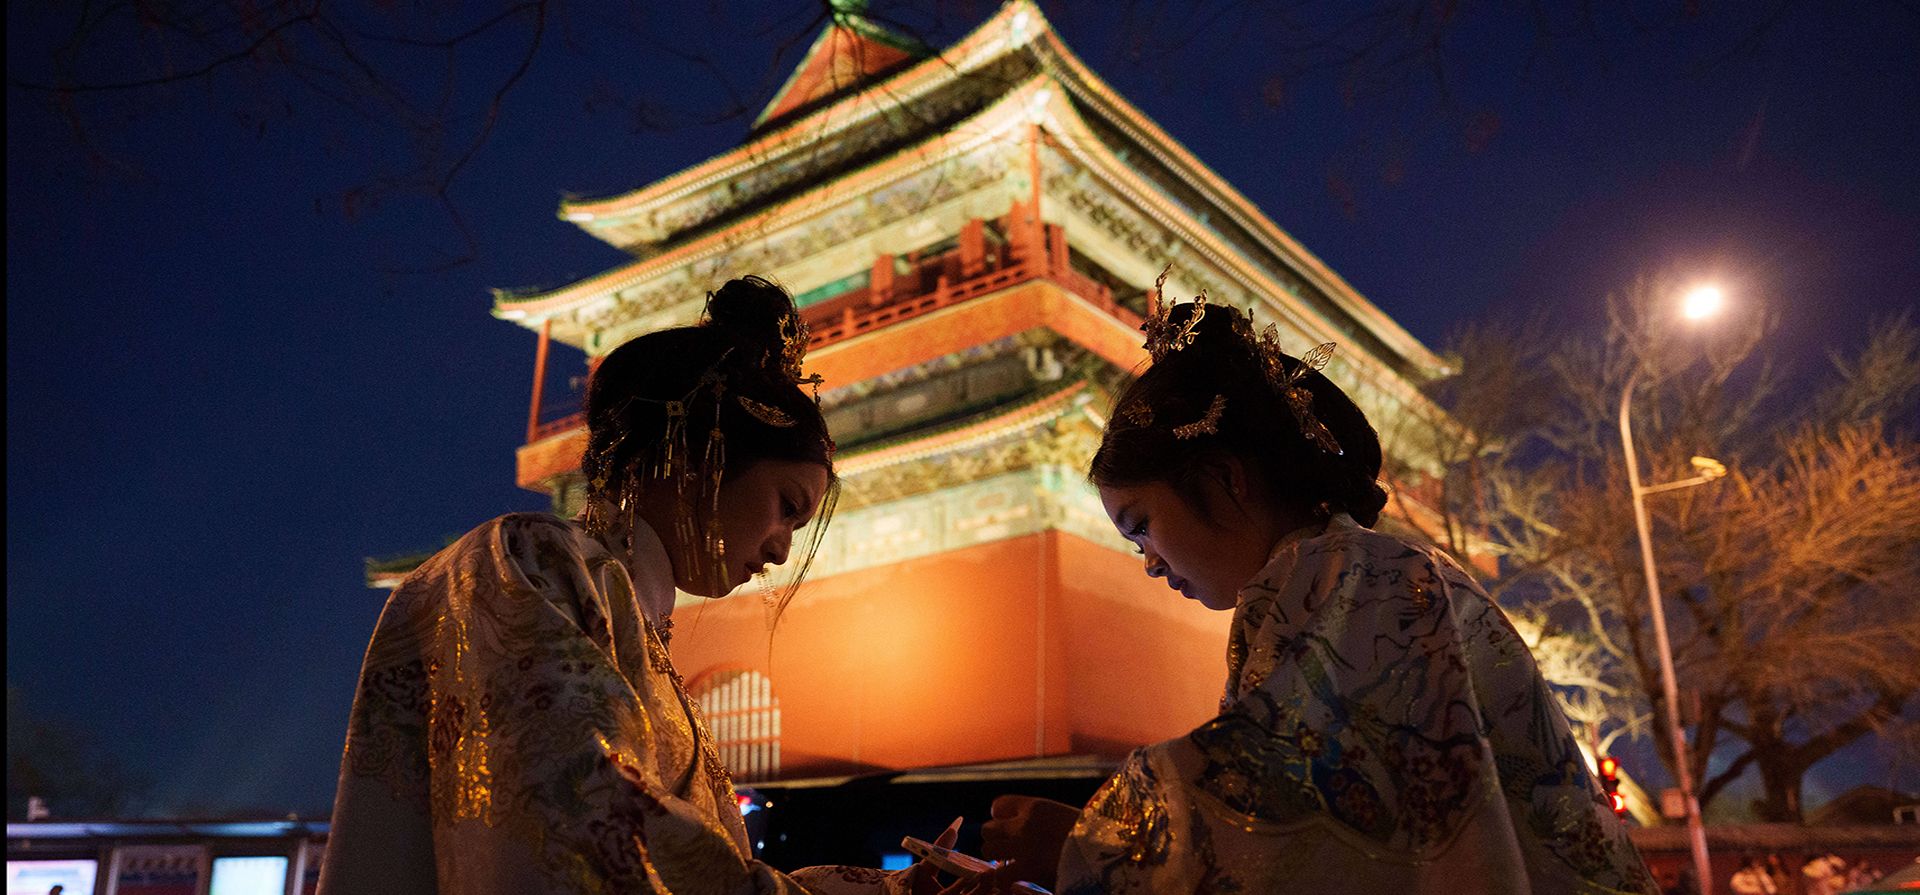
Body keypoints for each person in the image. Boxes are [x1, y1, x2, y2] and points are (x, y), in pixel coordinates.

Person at [319, 277, 998, 895]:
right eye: (787, 504)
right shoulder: (527, 562)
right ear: (703, 456)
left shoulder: (639, 640)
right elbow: (585, 823)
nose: (783, 547)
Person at [982, 278, 1657, 893]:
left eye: (1143, 526)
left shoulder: (1343, 579)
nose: (1150, 564)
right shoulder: (1365, 574)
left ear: (1224, 478)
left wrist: (1099, 842)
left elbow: (1297, 818)